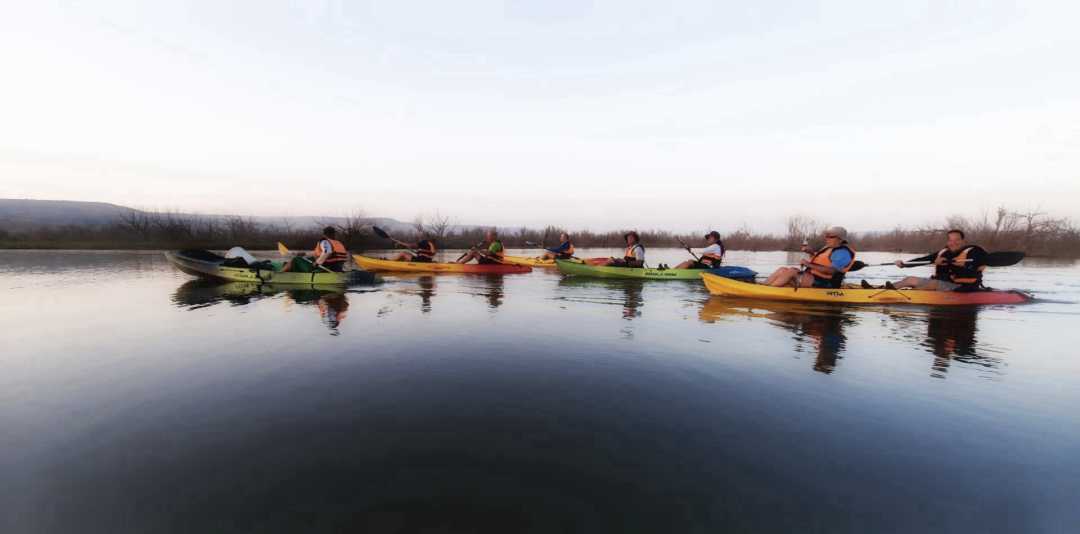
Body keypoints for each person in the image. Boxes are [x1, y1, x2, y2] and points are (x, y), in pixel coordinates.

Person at [881, 230, 988, 291]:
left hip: (963, 287)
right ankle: (881, 290)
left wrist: (950, 265)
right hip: (943, 283)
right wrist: (904, 264)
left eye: (957, 240)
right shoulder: (943, 252)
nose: (953, 243)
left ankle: (904, 295)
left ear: (963, 241)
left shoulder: (974, 252)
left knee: (931, 285)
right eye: (950, 240)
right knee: (909, 279)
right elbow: (923, 260)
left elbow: (971, 273)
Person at [764, 226, 855, 288]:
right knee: (782, 270)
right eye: (826, 236)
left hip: (827, 283)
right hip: (814, 277)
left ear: (840, 238)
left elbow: (831, 271)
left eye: (830, 237)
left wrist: (808, 264)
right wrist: (811, 252)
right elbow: (821, 262)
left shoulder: (842, 253)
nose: (826, 238)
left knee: (792, 272)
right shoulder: (829, 248)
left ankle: (768, 291)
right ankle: (763, 287)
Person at [283, 226, 348, 272]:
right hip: (337, 267)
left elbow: (327, 252)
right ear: (334, 234)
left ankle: (279, 274)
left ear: (325, 234)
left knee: (295, 259)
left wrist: (317, 263)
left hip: (325, 266)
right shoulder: (338, 243)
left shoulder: (324, 241)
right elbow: (317, 253)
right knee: (301, 259)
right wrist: (304, 254)